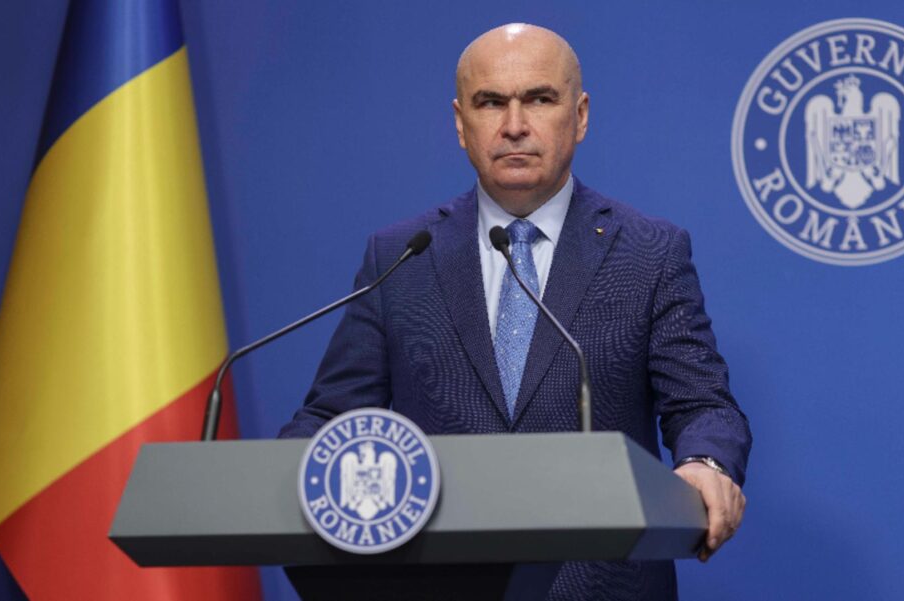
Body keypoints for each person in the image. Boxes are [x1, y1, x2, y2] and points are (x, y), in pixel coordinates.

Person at [280, 23, 751, 600]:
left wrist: (706, 462)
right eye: (490, 103)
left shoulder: (649, 252)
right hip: (440, 585)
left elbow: (702, 403)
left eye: (539, 99)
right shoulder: (401, 255)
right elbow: (331, 416)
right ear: (461, 123)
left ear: (580, 115)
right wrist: (276, 479)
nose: (514, 125)